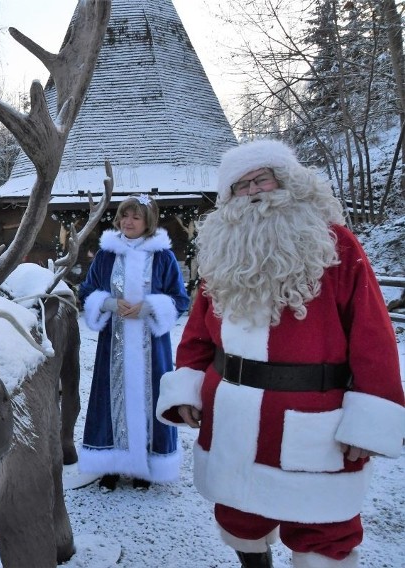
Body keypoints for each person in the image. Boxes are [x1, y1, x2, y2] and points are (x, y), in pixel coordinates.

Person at [156, 139, 405, 568]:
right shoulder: (220, 254)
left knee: (324, 531)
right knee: (239, 515)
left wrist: (369, 422)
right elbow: (197, 335)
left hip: (316, 421)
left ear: (288, 181)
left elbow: (373, 336)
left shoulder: (336, 245)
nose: (253, 191)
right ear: (228, 198)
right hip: (231, 414)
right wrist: (186, 390)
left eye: (262, 178)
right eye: (241, 185)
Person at [78, 194, 190, 490]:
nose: (128, 222)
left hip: (151, 348)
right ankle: (111, 466)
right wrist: (108, 305)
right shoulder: (107, 254)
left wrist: (150, 307)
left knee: (150, 398)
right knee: (110, 398)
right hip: (112, 345)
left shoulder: (163, 257)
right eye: (124, 216)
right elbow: (87, 291)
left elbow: (180, 299)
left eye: (136, 217)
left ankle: (147, 467)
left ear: (148, 222)